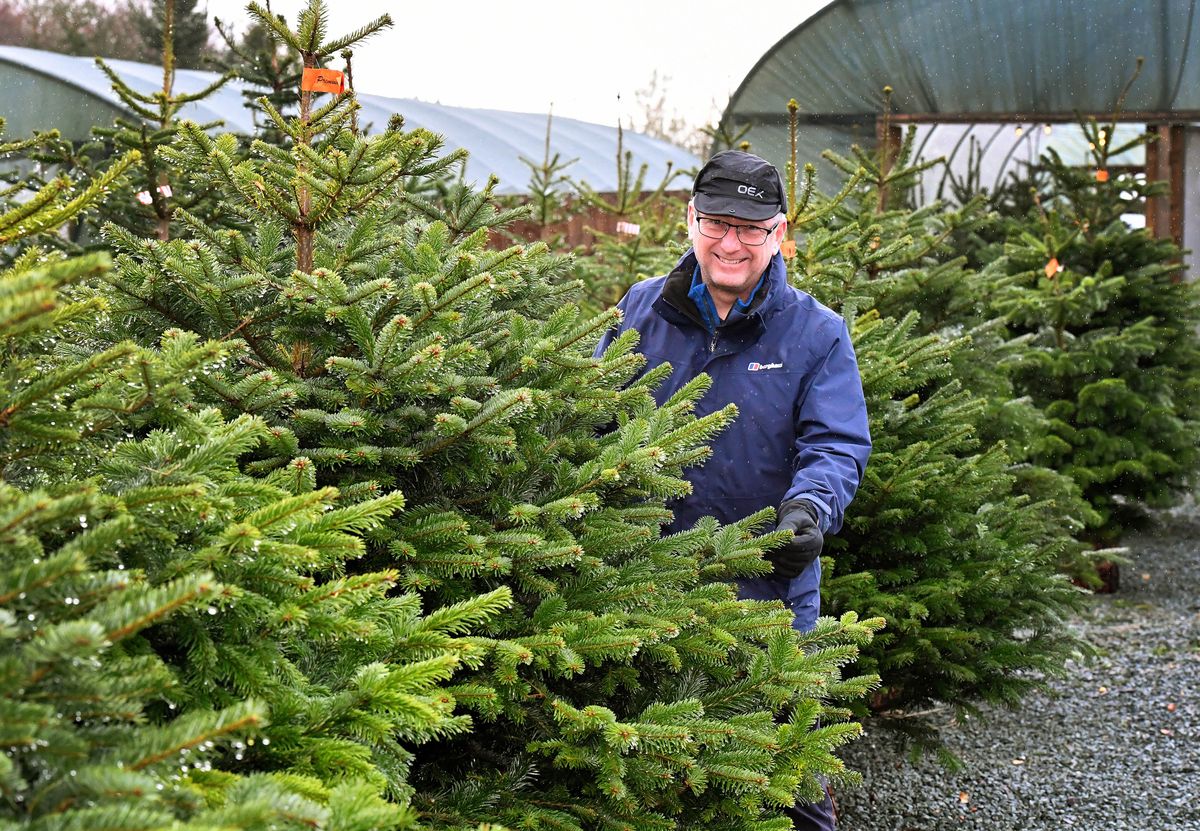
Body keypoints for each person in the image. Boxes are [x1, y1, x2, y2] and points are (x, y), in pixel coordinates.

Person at [593, 149, 871, 830]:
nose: (731, 243)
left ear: (778, 233)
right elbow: (591, 419)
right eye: (718, 222)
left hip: (768, 589)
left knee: (787, 775)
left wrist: (808, 510)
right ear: (690, 220)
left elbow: (835, 444)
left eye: (752, 228)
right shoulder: (639, 311)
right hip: (646, 582)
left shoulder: (816, 332)